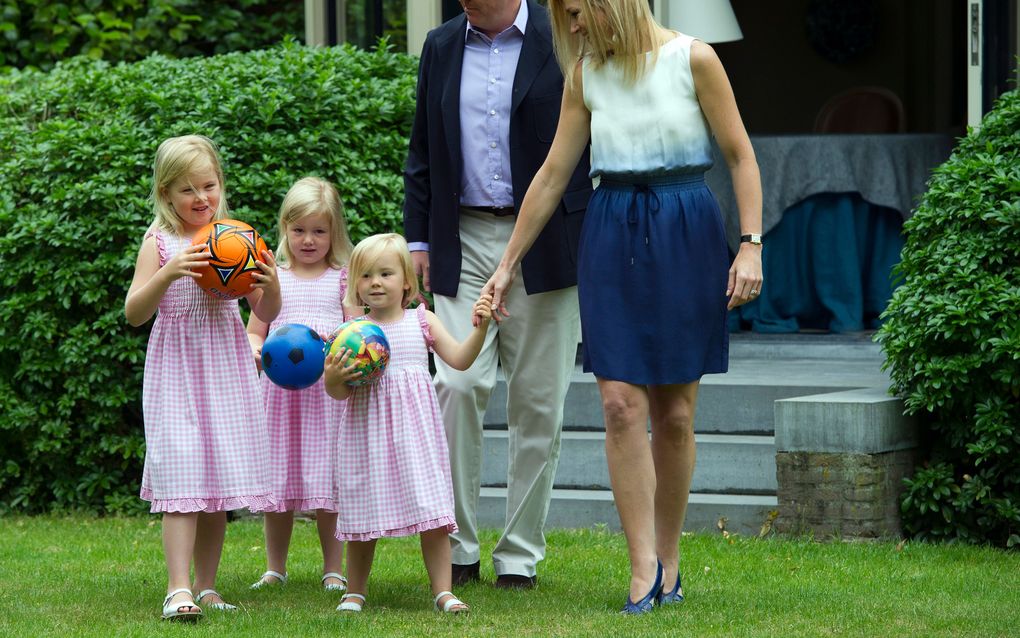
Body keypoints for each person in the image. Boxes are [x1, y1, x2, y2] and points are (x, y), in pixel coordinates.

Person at [482, 0, 764, 614]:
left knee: (676, 414)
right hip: (610, 231)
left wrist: (750, 246)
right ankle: (641, 567)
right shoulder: (585, 74)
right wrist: (506, 265)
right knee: (618, 403)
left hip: (686, 225)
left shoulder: (694, 58)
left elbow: (740, 155)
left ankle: (670, 559)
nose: (573, 29)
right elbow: (555, 172)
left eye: (579, 14)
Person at [403, 0, 593, 589]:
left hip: (546, 240)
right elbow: (423, 150)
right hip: (460, 238)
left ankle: (519, 556)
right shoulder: (440, 46)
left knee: (539, 404)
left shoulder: (562, 37)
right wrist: (417, 239)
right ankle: (457, 547)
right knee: (456, 385)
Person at [124, 134, 282, 621]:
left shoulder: (235, 239)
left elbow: (266, 312)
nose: (201, 198)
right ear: (166, 193)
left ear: (220, 185)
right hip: (176, 372)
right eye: (188, 190)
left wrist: (271, 284)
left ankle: (207, 586)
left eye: (209, 186)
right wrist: (168, 273)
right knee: (182, 476)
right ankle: (177, 589)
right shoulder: (160, 243)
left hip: (224, 370)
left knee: (215, 481)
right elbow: (134, 313)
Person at [323, 233, 493, 614]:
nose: (376, 282)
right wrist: (333, 377)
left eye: (385, 273)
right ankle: (355, 590)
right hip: (366, 436)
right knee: (363, 513)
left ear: (407, 282)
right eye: (365, 276)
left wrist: (480, 328)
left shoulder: (421, 319)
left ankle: (443, 591)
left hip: (416, 437)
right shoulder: (350, 333)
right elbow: (338, 393)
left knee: (431, 513)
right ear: (355, 285)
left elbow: (461, 360)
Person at [246, 177, 360, 593]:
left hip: (326, 398)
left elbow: (355, 330)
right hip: (279, 400)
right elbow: (255, 329)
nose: (308, 240)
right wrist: (256, 349)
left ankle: (334, 569)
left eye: (319, 231)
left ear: (335, 233)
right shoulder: (271, 276)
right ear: (284, 229)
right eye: (298, 230)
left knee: (328, 484)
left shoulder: (343, 278)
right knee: (278, 484)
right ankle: (275, 567)